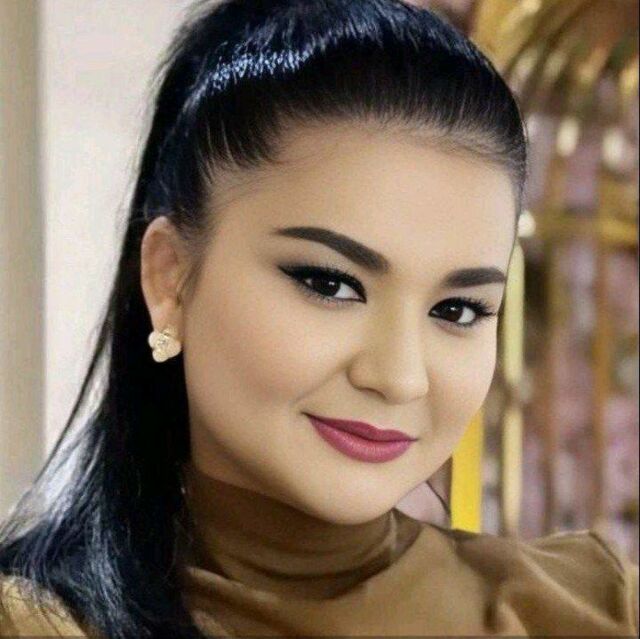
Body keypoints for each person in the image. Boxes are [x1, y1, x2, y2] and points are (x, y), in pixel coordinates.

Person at [1, 0, 638, 637]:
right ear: (170, 278)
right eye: (330, 284)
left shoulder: (594, 609)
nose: (400, 378)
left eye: (457, 309)